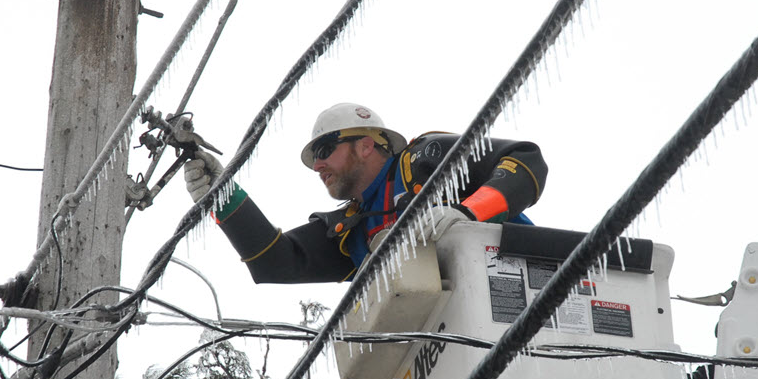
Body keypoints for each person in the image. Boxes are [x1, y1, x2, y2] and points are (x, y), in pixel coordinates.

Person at [183, 103, 547, 284]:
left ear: (367, 146)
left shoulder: (424, 160)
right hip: (465, 338)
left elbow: (525, 160)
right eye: (314, 159)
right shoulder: (354, 232)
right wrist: (223, 197)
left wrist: (468, 213)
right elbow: (276, 261)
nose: (318, 166)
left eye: (325, 150)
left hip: (536, 282)